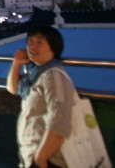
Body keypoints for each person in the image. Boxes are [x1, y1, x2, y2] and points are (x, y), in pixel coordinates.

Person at [7, 25, 76, 168]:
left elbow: (59, 121)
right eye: (30, 41)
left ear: (53, 47)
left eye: (40, 42)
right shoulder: (35, 73)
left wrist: (40, 159)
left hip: (49, 159)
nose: (33, 46)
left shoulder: (53, 75)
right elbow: (13, 88)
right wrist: (16, 63)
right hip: (31, 154)